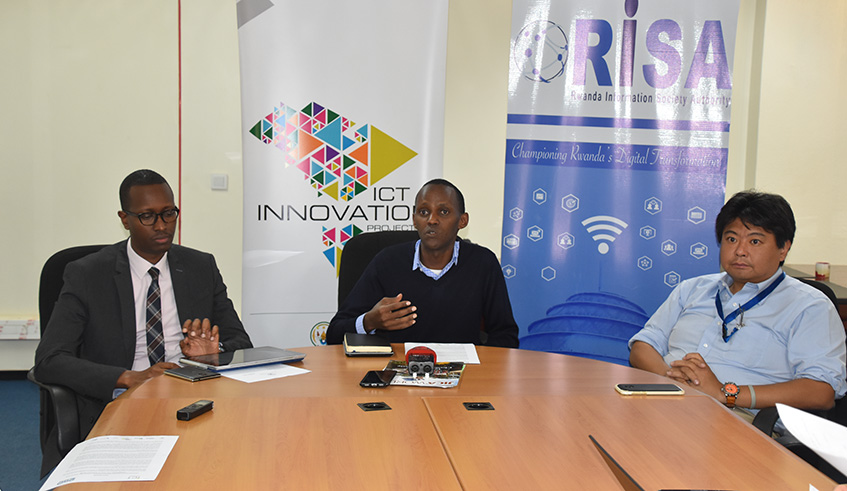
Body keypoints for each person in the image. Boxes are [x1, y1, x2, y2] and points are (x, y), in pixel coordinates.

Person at [34, 169, 252, 472]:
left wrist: (212, 354)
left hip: (192, 398)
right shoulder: (87, 275)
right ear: (125, 219)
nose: (162, 226)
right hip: (120, 404)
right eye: (147, 217)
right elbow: (49, 359)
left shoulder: (201, 266)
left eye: (168, 214)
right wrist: (128, 377)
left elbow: (241, 342)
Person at [629, 191, 846, 414]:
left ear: (783, 249)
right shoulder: (692, 289)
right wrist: (671, 381)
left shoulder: (809, 307)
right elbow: (643, 346)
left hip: (737, 418)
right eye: (731, 239)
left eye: (754, 241)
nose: (740, 251)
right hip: (665, 403)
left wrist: (725, 392)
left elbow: (821, 392)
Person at [326, 178, 519, 348]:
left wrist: (482, 374)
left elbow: (505, 336)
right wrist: (369, 322)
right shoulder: (387, 262)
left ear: (462, 221)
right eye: (424, 212)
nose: (432, 220)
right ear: (414, 220)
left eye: (443, 212)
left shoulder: (482, 263)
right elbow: (334, 333)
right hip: (396, 377)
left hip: (463, 377)